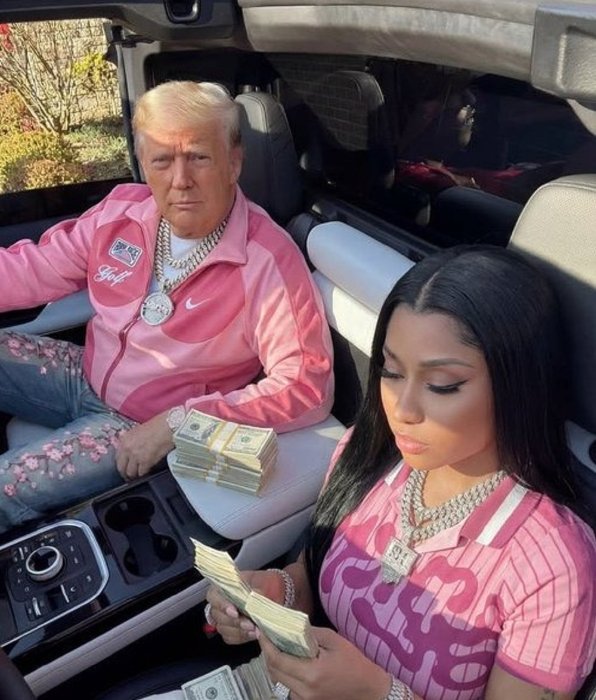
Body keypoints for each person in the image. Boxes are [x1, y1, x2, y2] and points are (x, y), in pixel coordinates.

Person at [144, 245, 595, 700]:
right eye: (392, 372)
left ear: (517, 385)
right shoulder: (371, 454)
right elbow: (317, 575)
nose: (402, 409)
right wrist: (275, 592)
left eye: (442, 385)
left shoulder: (551, 566)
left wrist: (377, 693)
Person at [0, 81, 334, 534]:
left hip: (138, 425)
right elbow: (32, 269)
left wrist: (178, 422)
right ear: (144, 165)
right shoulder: (120, 212)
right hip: (84, 372)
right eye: (162, 160)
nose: (180, 180)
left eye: (199, 157)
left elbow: (306, 386)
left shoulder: (267, 258)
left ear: (233, 163)